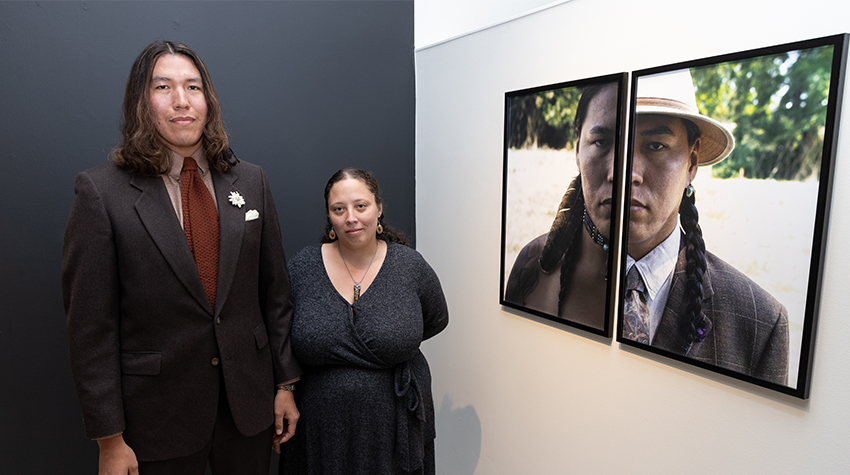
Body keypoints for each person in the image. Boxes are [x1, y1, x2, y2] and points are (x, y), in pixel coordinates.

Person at [62, 40, 302, 474]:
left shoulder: (250, 180)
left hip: (248, 411)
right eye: (163, 87)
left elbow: (275, 293)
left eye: (193, 87)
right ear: (141, 102)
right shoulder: (101, 193)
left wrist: (284, 384)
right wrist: (109, 440)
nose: (181, 101)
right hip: (157, 421)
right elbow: (90, 329)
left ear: (207, 100)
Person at [622, 69, 789, 385]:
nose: (630, 172)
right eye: (611, 143)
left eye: (655, 145)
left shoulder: (759, 323)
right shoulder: (540, 274)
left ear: (692, 161)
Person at [280, 168, 449, 475]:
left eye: (361, 206)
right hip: (320, 429)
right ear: (329, 216)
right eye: (338, 209)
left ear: (379, 208)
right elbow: (281, 333)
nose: (351, 218)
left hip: (394, 428)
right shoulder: (303, 267)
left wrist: (395, 336)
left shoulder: (410, 267)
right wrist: (285, 390)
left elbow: (436, 319)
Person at [505, 82, 619, 330]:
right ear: (578, 146)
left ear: (692, 163)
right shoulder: (532, 262)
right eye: (601, 142)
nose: (618, 173)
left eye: (656, 146)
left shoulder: (723, 295)